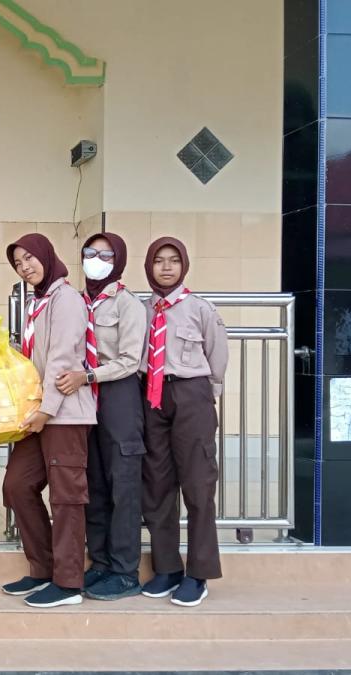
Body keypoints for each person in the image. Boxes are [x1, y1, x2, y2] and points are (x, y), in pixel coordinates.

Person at [0, 233, 96, 608]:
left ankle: (68, 583)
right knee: (16, 486)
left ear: (46, 256)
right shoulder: (37, 303)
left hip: (63, 414)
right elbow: (35, 357)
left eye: (29, 258)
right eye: (18, 263)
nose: (25, 267)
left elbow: (61, 358)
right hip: (38, 411)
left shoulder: (66, 299)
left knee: (66, 497)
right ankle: (43, 568)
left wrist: (46, 410)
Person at [55, 233, 147, 601]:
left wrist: (89, 376)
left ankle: (125, 571)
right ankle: (102, 561)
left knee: (123, 482)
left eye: (105, 255)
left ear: (119, 260)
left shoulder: (128, 304)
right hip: (82, 396)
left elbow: (130, 360)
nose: (96, 260)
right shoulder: (77, 301)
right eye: (90, 253)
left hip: (116, 393)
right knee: (92, 480)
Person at [138, 236, 228, 608]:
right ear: (149, 266)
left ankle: (199, 573)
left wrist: (207, 395)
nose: (166, 267)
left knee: (197, 485)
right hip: (151, 395)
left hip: (191, 394)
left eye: (173, 260)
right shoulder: (142, 310)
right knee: (157, 484)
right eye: (159, 260)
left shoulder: (200, 308)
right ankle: (167, 568)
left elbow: (217, 354)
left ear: (184, 265)